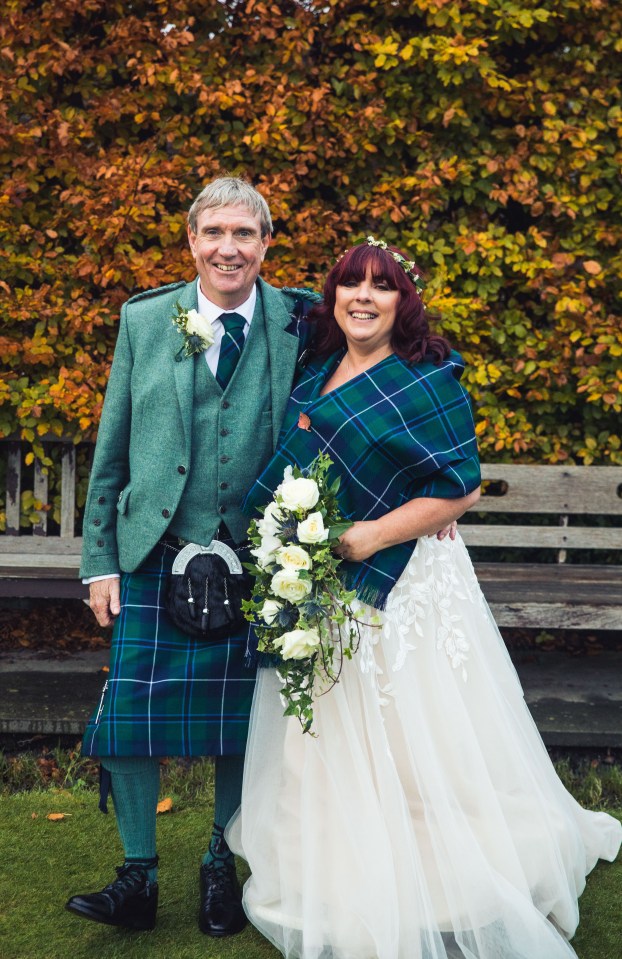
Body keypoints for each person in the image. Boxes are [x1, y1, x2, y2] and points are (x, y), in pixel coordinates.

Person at [228, 240, 622, 959]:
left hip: (407, 583)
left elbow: (461, 485)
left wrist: (372, 535)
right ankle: (348, 855)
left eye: (382, 287)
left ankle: (442, 869)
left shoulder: (428, 377)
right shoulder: (316, 371)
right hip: (322, 582)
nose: (364, 299)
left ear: (403, 300)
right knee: (330, 734)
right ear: (334, 296)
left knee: (422, 735)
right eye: (352, 285)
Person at [64, 176, 320, 936]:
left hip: (260, 558)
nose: (228, 248)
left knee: (239, 726)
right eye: (214, 233)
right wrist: (98, 561)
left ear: (267, 243)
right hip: (155, 548)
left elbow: (381, 371)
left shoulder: (301, 319)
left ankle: (219, 864)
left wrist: (429, 491)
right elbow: (111, 448)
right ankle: (136, 877)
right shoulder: (148, 320)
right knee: (129, 721)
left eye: (245, 234)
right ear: (191, 240)